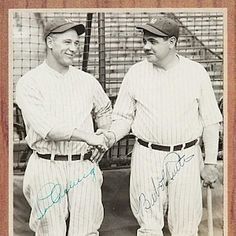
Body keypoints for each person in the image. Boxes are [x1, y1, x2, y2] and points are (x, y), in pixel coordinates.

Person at [99, 16, 223, 236]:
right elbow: (123, 118)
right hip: (147, 154)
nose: (146, 46)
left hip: (185, 155)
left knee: (185, 227)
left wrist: (211, 162)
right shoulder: (136, 73)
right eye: (144, 40)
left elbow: (211, 121)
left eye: (153, 41)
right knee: (148, 226)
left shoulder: (196, 72)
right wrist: (109, 137)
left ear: (172, 42)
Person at [16, 17, 111, 236]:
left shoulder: (86, 80)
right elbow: (48, 129)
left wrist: (103, 137)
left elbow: (105, 110)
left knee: (87, 231)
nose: (73, 48)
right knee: (51, 231)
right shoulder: (30, 82)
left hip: (82, 165)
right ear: (50, 42)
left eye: (76, 43)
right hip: (47, 165)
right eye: (67, 42)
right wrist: (89, 137)